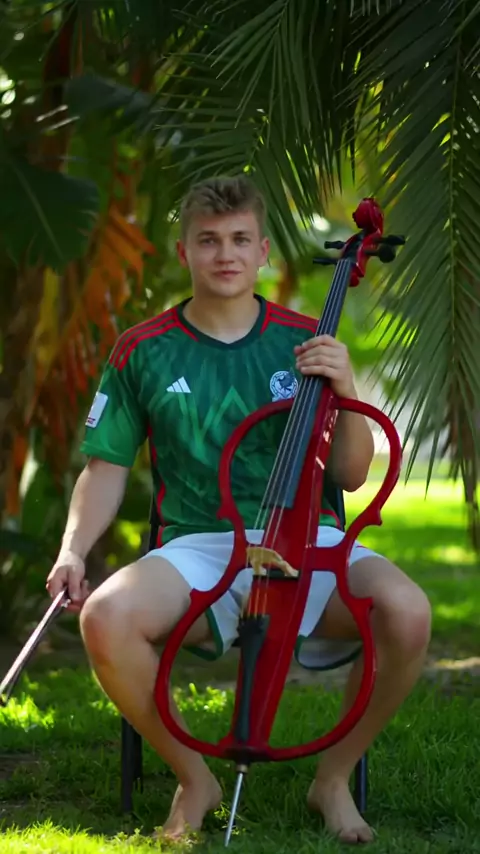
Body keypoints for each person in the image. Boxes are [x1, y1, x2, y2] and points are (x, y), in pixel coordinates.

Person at [46, 175, 431, 845]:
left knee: (409, 611)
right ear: (184, 251)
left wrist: (345, 386)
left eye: (239, 239)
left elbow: (350, 474)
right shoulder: (143, 348)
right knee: (106, 617)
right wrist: (72, 550)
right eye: (208, 241)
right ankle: (195, 778)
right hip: (200, 546)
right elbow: (104, 468)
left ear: (262, 253)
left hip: (309, 542)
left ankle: (333, 777)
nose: (225, 254)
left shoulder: (307, 340)